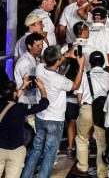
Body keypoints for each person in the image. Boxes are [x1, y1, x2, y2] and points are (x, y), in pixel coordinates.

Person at [20, 45, 85, 178]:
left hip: (40, 116)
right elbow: (75, 86)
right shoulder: (60, 80)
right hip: (55, 121)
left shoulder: (39, 68)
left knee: (36, 150)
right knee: (49, 153)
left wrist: (65, 55)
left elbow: (53, 61)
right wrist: (81, 67)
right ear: (58, 61)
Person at [72, 51, 109, 178]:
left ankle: (82, 167)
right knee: (102, 143)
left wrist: (83, 108)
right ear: (103, 63)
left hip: (87, 108)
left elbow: (79, 97)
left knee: (82, 138)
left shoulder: (84, 76)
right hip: (103, 111)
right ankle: (102, 173)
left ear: (90, 63)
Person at [0, 77, 49, 178]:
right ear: (14, 94)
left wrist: (22, 87)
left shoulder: (11, 106)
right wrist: (42, 88)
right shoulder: (20, 108)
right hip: (16, 151)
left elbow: (11, 103)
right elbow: (43, 104)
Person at [13, 33, 44, 112]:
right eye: (38, 45)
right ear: (29, 46)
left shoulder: (34, 58)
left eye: (42, 45)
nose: (41, 48)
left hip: (30, 100)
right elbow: (28, 85)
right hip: (25, 103)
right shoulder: (26, 62)